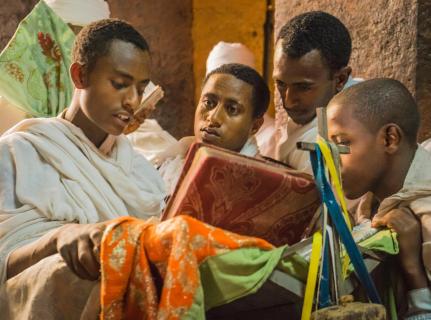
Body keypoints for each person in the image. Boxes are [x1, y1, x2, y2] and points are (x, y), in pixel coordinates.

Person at [0, 19, 167, 317]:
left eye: (141, 89)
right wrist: (56, 239)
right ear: (80, 75)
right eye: (119, 84)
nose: (132, 101)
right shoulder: (18, 152)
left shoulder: (141, 172)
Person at [327, 78, 431, 318]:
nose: (330, 162)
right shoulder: (369, 204)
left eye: (342, 145)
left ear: (389, 139)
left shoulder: (425, 210)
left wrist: (413, 272)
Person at [158, 63, 270, 194]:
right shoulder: (173, 160)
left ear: (255, 126)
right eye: (209, 103)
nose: (213, 117)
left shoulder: (260, 186)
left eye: (232, 109)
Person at [267, 11, 352, 173]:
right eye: (281, 84)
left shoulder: (332, 144)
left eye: (303, 87)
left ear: (341, 79)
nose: (288, 101)